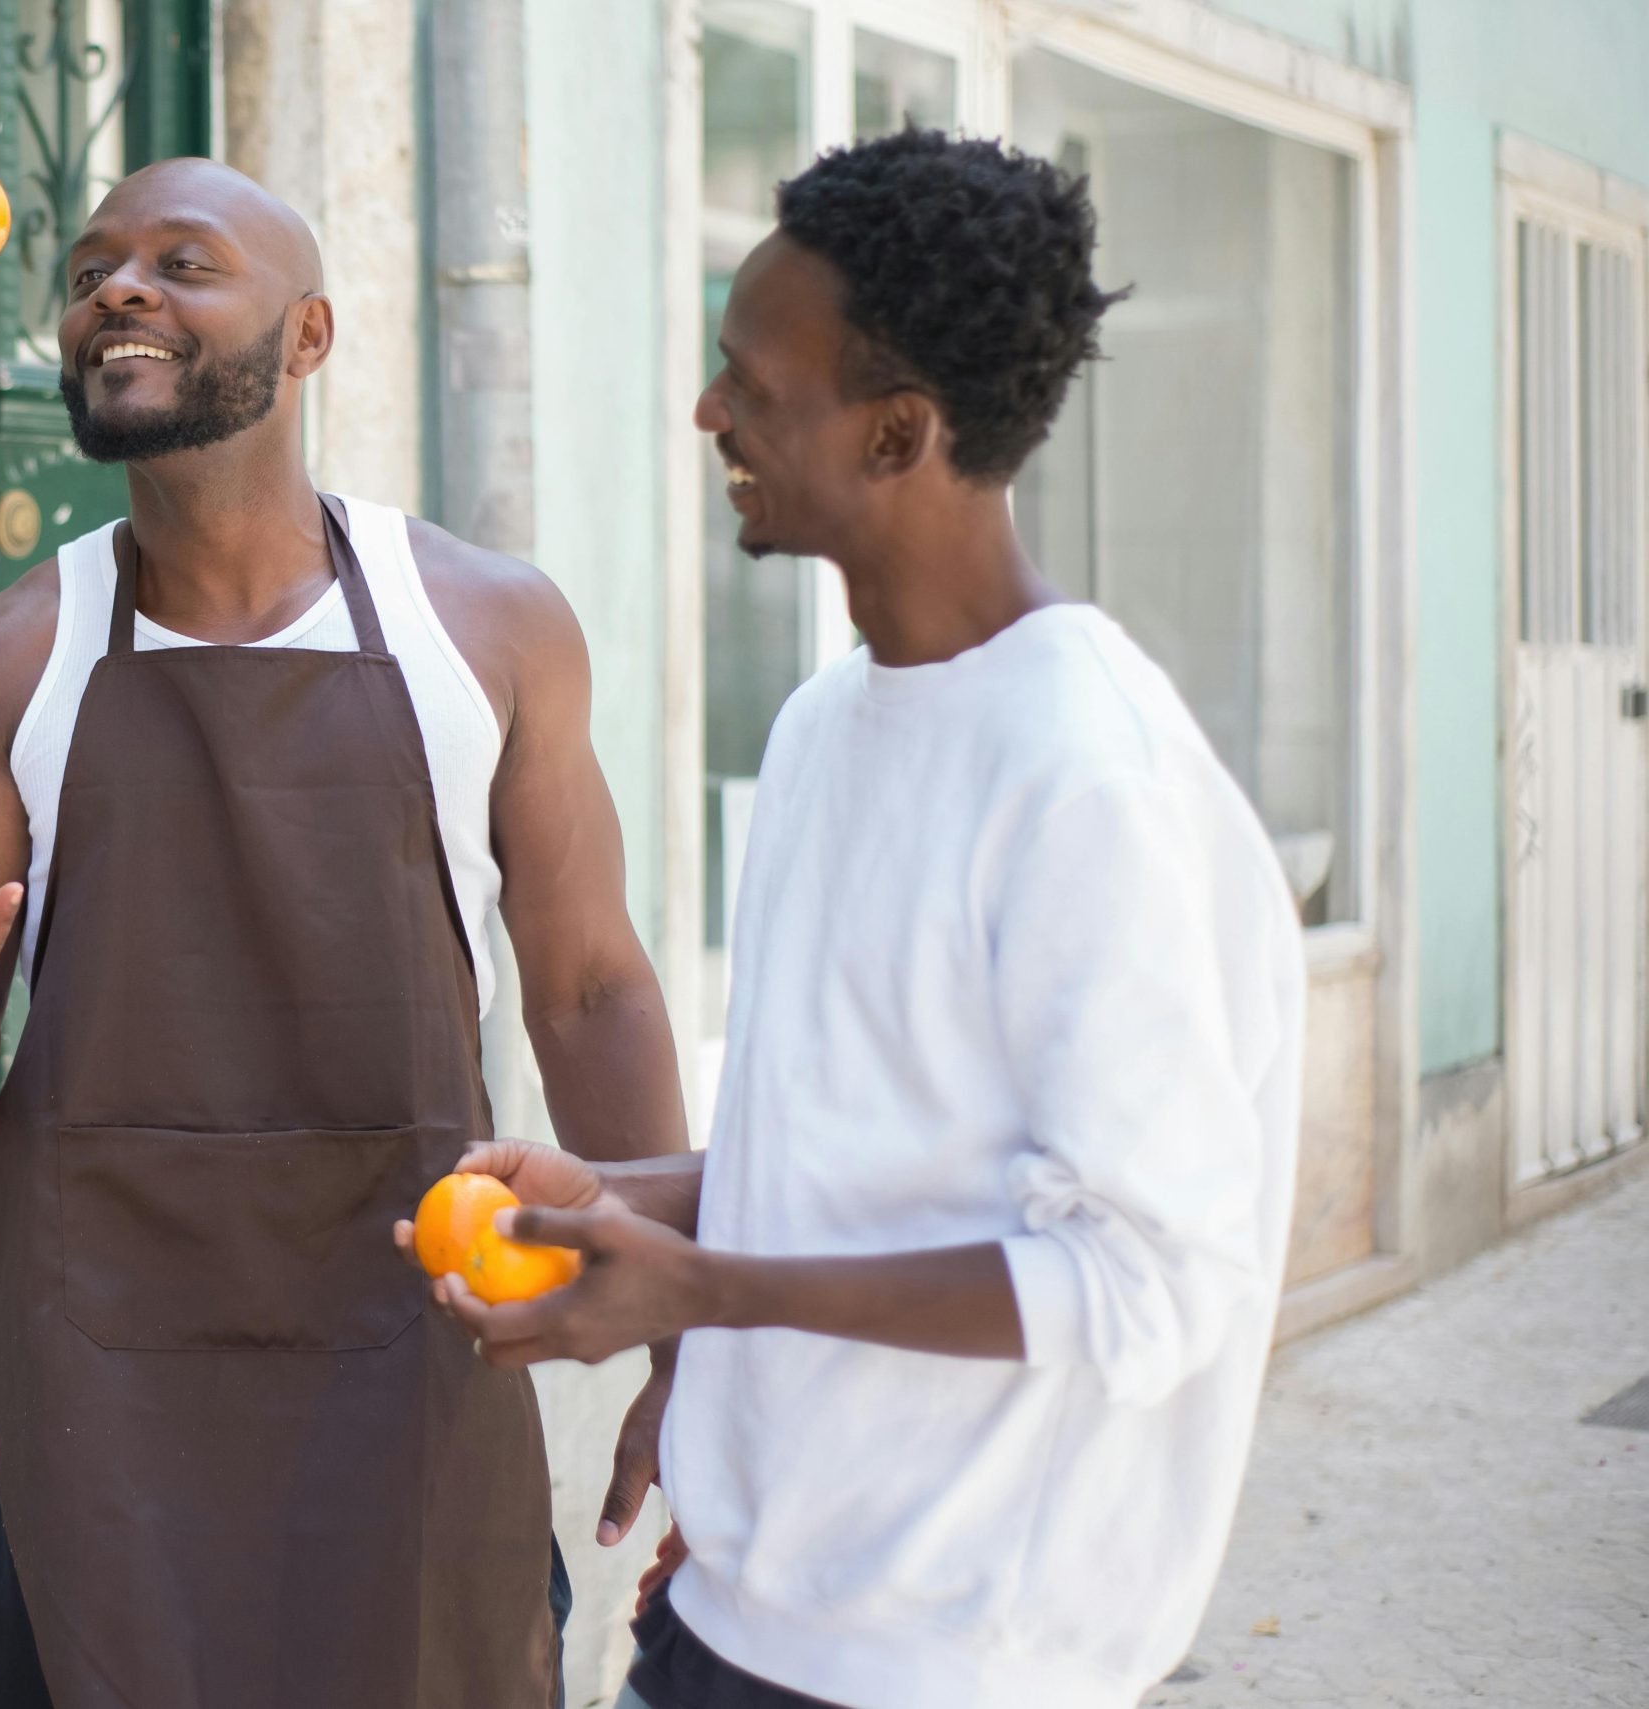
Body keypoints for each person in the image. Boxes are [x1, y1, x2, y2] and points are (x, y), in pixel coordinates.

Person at [0, 157, 689, 1709]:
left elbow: (587, 989)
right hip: (103, 1368)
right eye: (92, 268)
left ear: (309, 335)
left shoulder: (488, 625)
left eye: (184, 263)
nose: (118, 288)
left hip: (415, 1328)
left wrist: (674, 1305)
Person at [427, 130, 1307, 1709]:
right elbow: (865, 1162)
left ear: (898, 433)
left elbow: (1147, 1282)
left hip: (953, 1661)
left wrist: (707, 1292)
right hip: (743, 1608)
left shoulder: (1088, 777)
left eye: (751, 388)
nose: (709, 414)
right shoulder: (830, 726)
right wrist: (624, 1197)